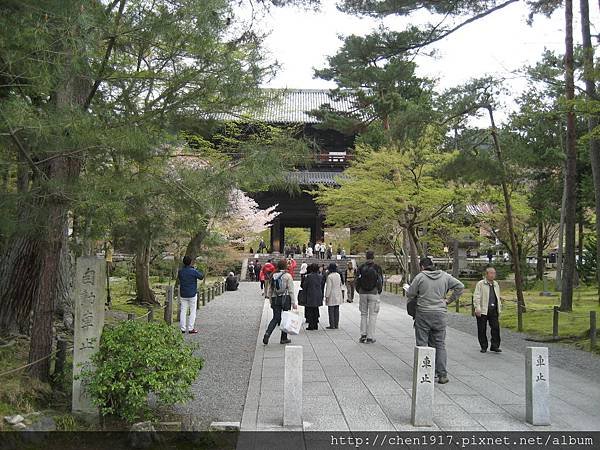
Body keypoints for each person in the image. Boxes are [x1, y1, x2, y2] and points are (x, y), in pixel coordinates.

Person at [406, 257, 464, 384]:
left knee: (422, 343)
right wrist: (448, 300)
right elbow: (460, 286)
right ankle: (442, 374)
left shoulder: (420, 277)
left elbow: (410, 293)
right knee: (439, 344)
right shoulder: (445, 276)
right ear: (433, 265)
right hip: (440, 314)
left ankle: (424, 372)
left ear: (422, 267)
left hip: (423, 313)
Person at [263, 259, 297, 345]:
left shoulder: (273, 275)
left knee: (275, 318)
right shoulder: (288, 276)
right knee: (285, 318)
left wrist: (271, 301)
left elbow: (270, 290)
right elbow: (291, 290)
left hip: (275, 298)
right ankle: (283, 338)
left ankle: (267, 333)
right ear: (285, 266)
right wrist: (293, 302)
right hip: (285, 298)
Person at [355, 251, 383, 344]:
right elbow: (380, 280)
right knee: (372, 315)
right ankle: (370, 336)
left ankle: (363, 335)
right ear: (373, 257)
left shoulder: (361, 267)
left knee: (363, 314)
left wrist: (358, 290)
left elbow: (357, 279)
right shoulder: (377, 267)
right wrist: (379, 290)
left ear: (366, 257)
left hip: (362, 292)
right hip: (373, 292)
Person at [473, 267, 502, 353]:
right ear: (487, 274)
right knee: (482, 328)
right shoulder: (481, 284)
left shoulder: (496, 284)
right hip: (483, 309)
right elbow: (476, 296)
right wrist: (477, 307)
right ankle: (483, 346)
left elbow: (498, 296)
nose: (493, 275)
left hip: (493, 309)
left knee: (496, 327)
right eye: (491, 273)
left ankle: (495, 345)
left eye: (494, 273)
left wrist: (499, 306)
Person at [177, 256, 204, 334]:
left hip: (183, 294)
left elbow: (180, 278)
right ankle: (191, 328)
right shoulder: (193, 271)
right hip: (192, 294)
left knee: (183, 310)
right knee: (192, 311)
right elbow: (201, 277)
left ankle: (182, 328)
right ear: (190, 262)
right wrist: (195, 269)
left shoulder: (180, 271)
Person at [302, 263, 323, 330]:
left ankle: (311, 325)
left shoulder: (308, 276)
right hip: (318, 294)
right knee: (316, 309)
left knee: (310, 310)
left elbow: (304, 286)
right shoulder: (320, 276)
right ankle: (315, 324)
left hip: (310, 294)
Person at [325, 262, 344, 329]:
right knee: (336, 310)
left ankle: (332, 324)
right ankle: (336, 324)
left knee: (331, 310)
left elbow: (329, 287)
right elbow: (340, 284)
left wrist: (327, 296)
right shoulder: (338, 275)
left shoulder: (330, 276)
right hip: (338, 293)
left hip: (331, 294)